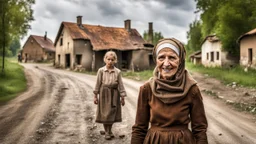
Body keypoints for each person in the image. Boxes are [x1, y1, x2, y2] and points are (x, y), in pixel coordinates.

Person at [131, 38, 208, 144]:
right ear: (156, 60)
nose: (166, 63)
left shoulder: (192, 90)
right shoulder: (146, 89)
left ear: (180, 60)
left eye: (172, 57)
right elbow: (139, 128)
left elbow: (200, 130)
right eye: (161, 57)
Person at [93, 51, 127, 140]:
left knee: (112, 113)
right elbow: (97, 83)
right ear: (105, 59)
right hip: (104, 93)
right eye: (108, 59)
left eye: (112, 59)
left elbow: (121, 84)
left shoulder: (118, 72)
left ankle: (109, 130)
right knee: (105, 114)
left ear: (115, 60)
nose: (110, 61)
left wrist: (122, 97)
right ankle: (107, 132)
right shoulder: (101, 71)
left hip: (115, 94)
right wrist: (95, 96)